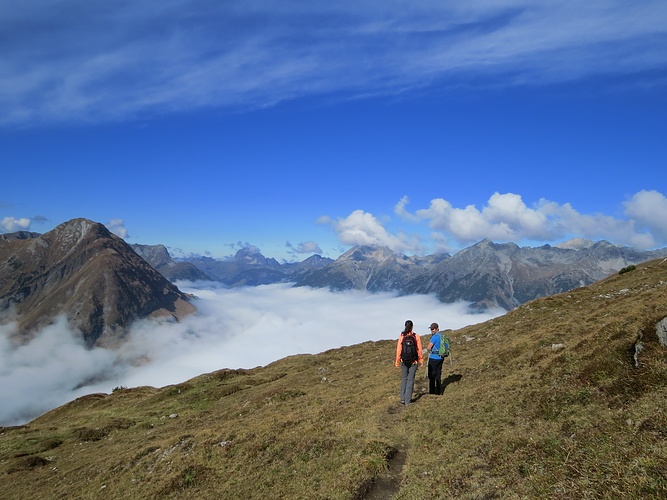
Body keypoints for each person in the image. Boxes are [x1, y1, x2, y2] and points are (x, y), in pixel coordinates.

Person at [394, 319, 424, 405]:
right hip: (413, 362)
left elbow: (399, 350)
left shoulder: (402, 336)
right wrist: (421, 360)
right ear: (412, 327)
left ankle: (403, 398)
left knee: (404, 379)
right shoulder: (416, 336)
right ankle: (408, 401)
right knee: (410, 380)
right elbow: (419, 350)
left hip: (404, 361)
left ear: (405, 326)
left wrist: (397, 361)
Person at [426, 322, 445, 395]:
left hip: (433, 358)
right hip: (441, 358)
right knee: (438, 374)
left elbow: (429, 347)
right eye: (431, 329)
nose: (432, 331)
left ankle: (432, 392)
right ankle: (439, 391)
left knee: (431, 375)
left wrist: (430, 350)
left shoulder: (434, 337)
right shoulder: (442, 336)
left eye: (433, 329)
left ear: (437, 329)